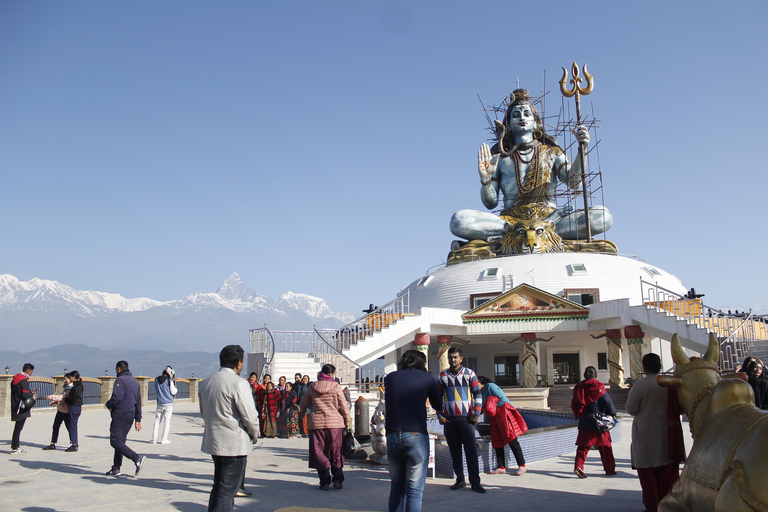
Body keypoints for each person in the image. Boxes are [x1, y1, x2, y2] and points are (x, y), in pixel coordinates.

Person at [450, 88, 612, 242]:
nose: (521, 118)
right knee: (459, 220)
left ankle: (526, 232)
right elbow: (491, 203)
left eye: (527, 114)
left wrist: (581, 149)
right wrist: (485, 179)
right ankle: (525, 230)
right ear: (508, 124)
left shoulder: (551, 152)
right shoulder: (499, 158)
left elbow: (575, 182)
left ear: (536, 123)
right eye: (516, 115)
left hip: (550, 217)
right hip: (510, 220)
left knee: (602, 216)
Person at [199, 345, 259, 512]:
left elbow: (204, 413)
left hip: (214, 442)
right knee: (228, 491)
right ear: (238, 363)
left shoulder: (207, 382)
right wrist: (254, 434)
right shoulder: (239, 383)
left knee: (218, 486)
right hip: (234, 444)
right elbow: (250, 416)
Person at [625, 353, 686, 512]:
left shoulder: (641, 384)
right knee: (668, 473)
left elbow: (631, 409)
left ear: (644, 367)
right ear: (660, 366)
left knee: (648, 474)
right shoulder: (670, 384)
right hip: (669, 435)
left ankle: (653, 507)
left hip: (646, 434)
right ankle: (668, 505)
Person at [384, 349, 442, 512]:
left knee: (396, 488)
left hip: (393, 435)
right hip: (416, 435)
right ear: (421, 363)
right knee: (414, 491)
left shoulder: (390, 378)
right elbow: (438, 405)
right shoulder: (428, 378)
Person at [437, 347, 485, 493]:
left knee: (470, 450)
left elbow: (477, 394)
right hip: (450, 420)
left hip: (466, 419)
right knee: (455, 452)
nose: (453, 360)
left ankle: (475, 482)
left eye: (455, 357)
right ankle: (460, 479)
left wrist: (476, 413)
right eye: (451, 357)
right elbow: (437, 398)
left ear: (461, 358)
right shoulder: (442, 376)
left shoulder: (470, 374)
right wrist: (440, 415)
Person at [299, 364, 350, 491]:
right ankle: (337, 480)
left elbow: (303, 404)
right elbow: (343, 405)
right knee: (336, 452)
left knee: (319, 452)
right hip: (335, 424)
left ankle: (324, 482)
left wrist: (303, 412)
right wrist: (347, 420)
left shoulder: (312, 386)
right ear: (331, 374)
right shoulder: (336, 386)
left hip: (316, 425)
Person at [571, 366, 617, 478]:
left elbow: (575, 404)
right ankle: (609, 469)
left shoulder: (578, 388)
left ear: (584, 375)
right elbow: (608, 403)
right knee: (605, 447)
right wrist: (612, 413)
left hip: (584, 421)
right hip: (599, 422)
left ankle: (579, 466)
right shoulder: (598, 387)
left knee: (583, 447)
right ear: (595, 375)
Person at [477, 376, 528, 476]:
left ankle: (522, 465)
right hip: (495, 417)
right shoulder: (480, 393)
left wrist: (492, 407)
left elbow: (502, 399)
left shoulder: (490, 386)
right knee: (497, 440)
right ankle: (501, 467)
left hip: (504, 412)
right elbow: (483, 408)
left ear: (480, 382)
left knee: (512, 438)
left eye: (475, 383)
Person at [105, 361, 145, 477]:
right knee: (120, 441)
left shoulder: (120, 380)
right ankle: (116, 468)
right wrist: (138, 418)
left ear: (118, 369)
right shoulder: (135, 382)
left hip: (121, 413)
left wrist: (109, 405)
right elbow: (138, 402)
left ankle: (136, 458)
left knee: (115, 441)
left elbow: (116, 397)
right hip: (130, 414)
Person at [10, 363, 36, 454]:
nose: (31, 373)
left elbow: (17, 393)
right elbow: (24, 395)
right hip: (21, 407)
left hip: (15, 405)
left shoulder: (15, 379)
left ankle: (15, 446)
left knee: (17, 428)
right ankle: (15, 447)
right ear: (27, 371)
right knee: (18, 428)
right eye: (31, 372)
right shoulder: (24, 381)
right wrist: (31, 395)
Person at [43, 372, 73, 451]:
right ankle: (53, 443)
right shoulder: (65, 388)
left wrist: (52, 397)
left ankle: (74, 443)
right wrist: (55, 402)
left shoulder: (70, 389)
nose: (64, 380)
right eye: (64, 379)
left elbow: (63, 397)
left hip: (66, 411)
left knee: (69, 427)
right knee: (55, 426)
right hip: (60, 410)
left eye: (66, 379)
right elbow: (61, 399)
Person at [151, 366, 178, 444]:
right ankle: (164, 439)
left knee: (157, 420)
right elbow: (173, 391)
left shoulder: (156, 380)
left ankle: (153, 439)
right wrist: (176, 388)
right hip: (168, 403)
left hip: (160, 402)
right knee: (167, 421)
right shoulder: (169, 381)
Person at [63, 371, 83, 452]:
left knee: (72, 425)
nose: (70, 379)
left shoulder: (76, 386)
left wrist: (66, 400)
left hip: (74, 406)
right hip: (77, 406)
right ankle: (74, 442)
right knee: (73, 424)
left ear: (74, 377)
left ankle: (74, 444)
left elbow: (73, 396)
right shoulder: (79, 385)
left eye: (70, 377)